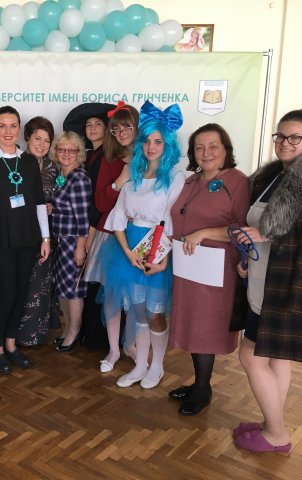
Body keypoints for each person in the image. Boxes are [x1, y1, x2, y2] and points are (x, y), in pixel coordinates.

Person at [232, 108, 302, 453]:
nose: (285, 143)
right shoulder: (275, 176)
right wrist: (247, 257)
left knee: (250, 357)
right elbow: (265, 230)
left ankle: (277, 435)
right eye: (280, 136)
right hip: (261, 280)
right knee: (277, 358)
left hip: (284, 288)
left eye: (295, 137)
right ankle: (272, 421)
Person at [99, 101, 186, 389]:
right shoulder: (134, 175)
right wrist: (127, 252)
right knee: (137, 311)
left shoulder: (175, 177)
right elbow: (118, 217)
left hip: (158, 248)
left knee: (155, 312)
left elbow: (172, 220)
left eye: (157, 141)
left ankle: (157, 366)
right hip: (130, 249)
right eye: (147, 141)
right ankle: (140, 365)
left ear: (167, 144)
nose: (151, 147)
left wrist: (162, 259)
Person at [168, 123, 250, 415]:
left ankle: (203, 389)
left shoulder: (238, 182)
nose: (206, 153)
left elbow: (243, 228)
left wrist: (203, 233)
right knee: (193, 324)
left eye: (213, 146)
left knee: (206, 327)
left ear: (226, 149)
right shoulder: (190, 181)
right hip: (188, 266)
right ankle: (198, 383)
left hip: (217, 269)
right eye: (199, 148)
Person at [0, 106, 51, 375]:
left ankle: (11, 344)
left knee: (20, 293)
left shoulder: (28, 161)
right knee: (4, 295)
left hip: (27, 238)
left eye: (13, 126)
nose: (7, 131)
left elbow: (39, 202)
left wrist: (45, 238)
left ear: (19, 129)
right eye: (2, 126)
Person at [81, 101, 140, 373]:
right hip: (111, 237)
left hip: (140, 235)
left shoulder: (151, 157)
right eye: (116, 129)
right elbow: (101, 203)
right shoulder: (109, 159)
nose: (121, 133)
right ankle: (114, 349)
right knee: (112, 296)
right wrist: (120, 181)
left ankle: (132, 344)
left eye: (126, 127)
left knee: (137, 297)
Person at [62, 103, 115, 350]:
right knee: (88, 284)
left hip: (99, 229)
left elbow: (99, 201)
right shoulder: (92, 155)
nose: (92, 128)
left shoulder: (108, 156)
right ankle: (87, 334)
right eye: (88, 124)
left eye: (98, 124)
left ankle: (97, 339)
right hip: (89, 229)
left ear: (107, 129)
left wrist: (87, 237)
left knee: (93, 284)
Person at [17, 116, 61, 346]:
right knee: (20, 282)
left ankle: (35, 334)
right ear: (27, 137)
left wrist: (53, 205)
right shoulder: (16, 162)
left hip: (46, 234)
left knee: (41, 283)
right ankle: (14, 334)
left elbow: (61, 196)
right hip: (21, 232)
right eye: (37, 138)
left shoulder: (54, 167)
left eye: (46, 140)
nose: (42, 144)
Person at [50, 131, 91, 352]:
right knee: (62, 288)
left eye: (71, 150)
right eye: (61, 149)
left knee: (73, 289)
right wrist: (52, 207)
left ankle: (75, 331)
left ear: (79, 153)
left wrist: (80, 247)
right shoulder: (62, 174)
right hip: (59, 240)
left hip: (72, 242)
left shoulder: (79, 178)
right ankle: (68, 327)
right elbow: (63, 204)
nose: (66, 154)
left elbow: (83, 217)